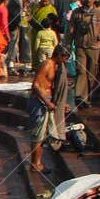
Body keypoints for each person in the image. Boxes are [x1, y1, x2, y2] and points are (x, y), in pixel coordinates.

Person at [27, 44, 68, 176]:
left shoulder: (57, 66)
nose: (66, 61)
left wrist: (62, 102)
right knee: (37, 135)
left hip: (46, 100)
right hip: (39, 102)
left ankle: (38, 163)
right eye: (65, 57)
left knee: (42, 135)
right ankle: (35, 164)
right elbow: (36, 85)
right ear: (59, 55)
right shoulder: (47, 64)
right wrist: (47, 102)